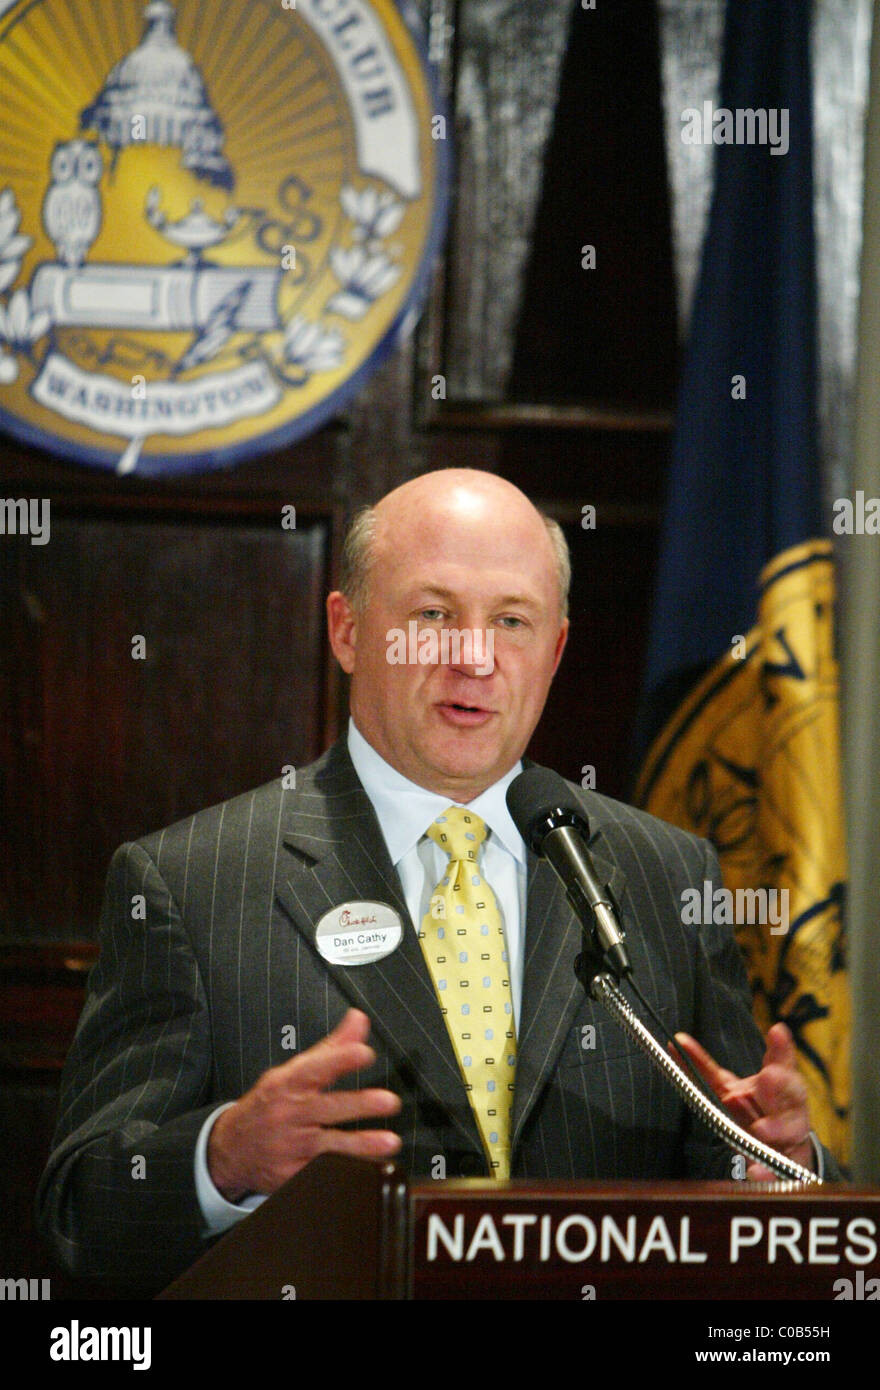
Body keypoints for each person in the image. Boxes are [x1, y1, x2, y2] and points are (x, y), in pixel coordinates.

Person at [37, 468, 834, 1295]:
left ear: (555, 650)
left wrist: (783, 1168)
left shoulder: (665, 875)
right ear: (347, 632)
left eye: (512, 622)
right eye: (432, 615)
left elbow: (744, 1174)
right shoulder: (189, 883)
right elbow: (80, 1218)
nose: (474, 658)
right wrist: (223, 1159)